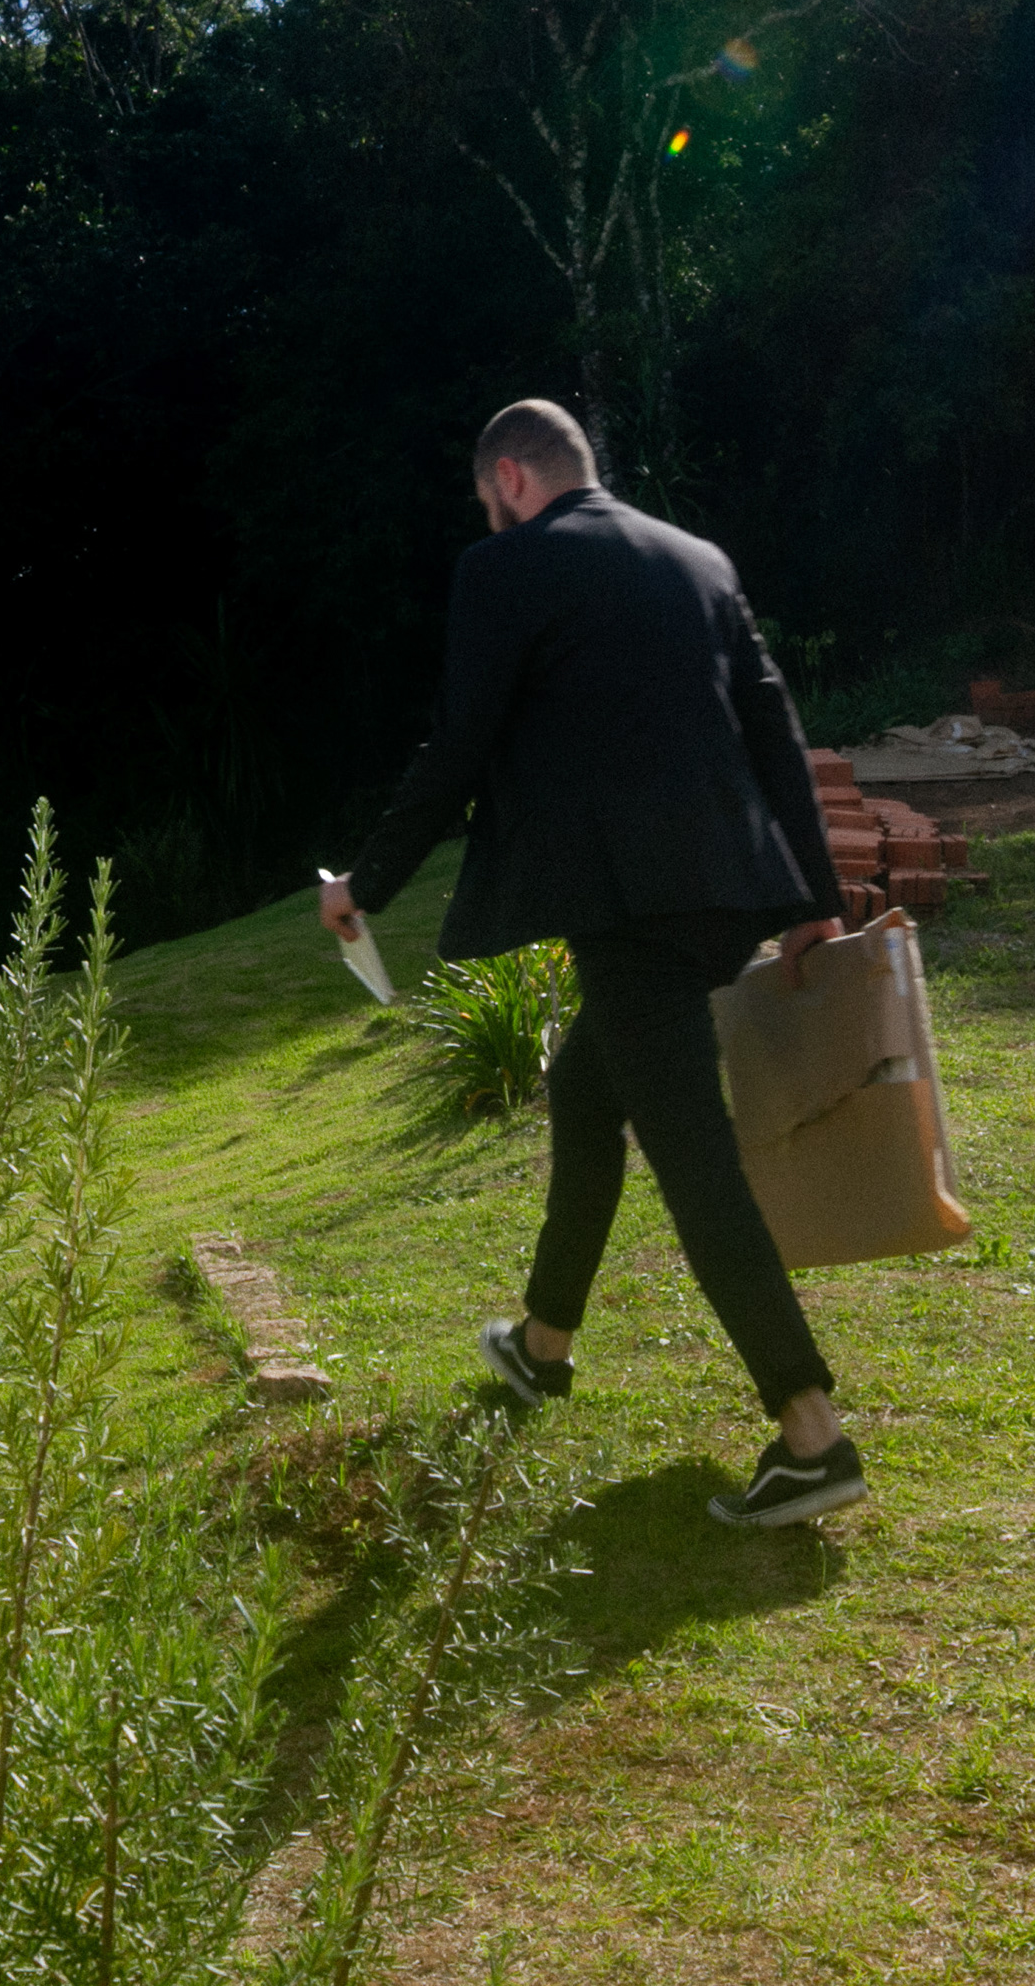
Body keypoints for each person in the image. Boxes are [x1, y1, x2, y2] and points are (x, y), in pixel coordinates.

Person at [320, 398, 865, 1527]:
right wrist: (813, 901)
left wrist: (364, 884)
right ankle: (543, 1344)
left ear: (512, 479)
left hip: (631, 909)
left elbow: (460, 742)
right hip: (729, 893)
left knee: (694, 1158)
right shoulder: (699, 558)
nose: (489, 516)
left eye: (488, 499)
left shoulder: (505, 567)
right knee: (585, 1090)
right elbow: (776, 730)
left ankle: (811, 1434)